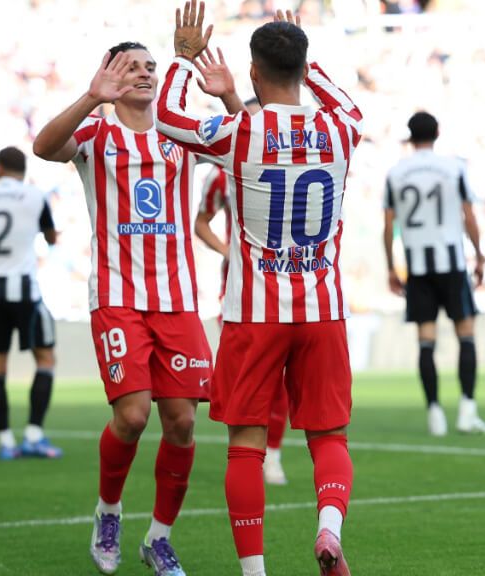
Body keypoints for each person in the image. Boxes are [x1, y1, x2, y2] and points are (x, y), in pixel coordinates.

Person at [157, 5, 361, 575]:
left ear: (251, 72)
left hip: (255, 311)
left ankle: (255, 571)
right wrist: (302, 54)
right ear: (302, 66)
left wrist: (183, 57)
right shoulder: (342, 128)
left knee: (245, 444)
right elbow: (344, 102)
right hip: (323, 308)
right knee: (329, 435)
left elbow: (169, 117)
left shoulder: (240, 131)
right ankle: (328, 528)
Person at [33, 35, 233, 575]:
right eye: (132, 67)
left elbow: (246, 138)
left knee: (183, 425)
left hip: (177, 301)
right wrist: (89, 97)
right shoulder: (96, 131)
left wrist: (211, 83)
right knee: (133, 414)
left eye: (151, 66)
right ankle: (108, 511)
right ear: (110, 74)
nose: (145, 73)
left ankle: (160, 539)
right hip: (118, 297)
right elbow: (43, 147)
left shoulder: (177, 134)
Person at [383, 112, 485, 437]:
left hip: (418, 265)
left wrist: (391, 267)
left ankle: (434, 412)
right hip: (451, 261)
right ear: (437, 133)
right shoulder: (453, 167)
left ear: (410, 136)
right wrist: (479, 256)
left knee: (426, 340)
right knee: (466, 333)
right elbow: (469, 215)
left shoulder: (396, 172)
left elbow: (388, 223)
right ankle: (467, 410)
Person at [194, 97, 289, 486]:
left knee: (281, 378)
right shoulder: (223, 171)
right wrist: (226, 250)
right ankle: (251, 451)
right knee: (248, 376)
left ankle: (274, 455)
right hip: (240, 288)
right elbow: (201, 221)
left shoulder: (297, 158)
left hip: (288, 283)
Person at [0, 146, 61, 460]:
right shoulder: (35, 196)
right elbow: (50, 237)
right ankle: (34, 436)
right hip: (24, 289)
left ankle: (4, 441)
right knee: (46, 359)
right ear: (23, 170)